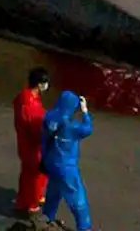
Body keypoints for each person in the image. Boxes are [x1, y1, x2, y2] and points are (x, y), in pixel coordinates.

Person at [40, 90, 94, 230]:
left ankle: (47, 217)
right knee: (77, 198)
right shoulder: (72, 126)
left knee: (53, 191)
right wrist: (85, 112)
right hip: (66, 166)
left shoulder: (48, 118)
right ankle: (84, 227)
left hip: (51, 162)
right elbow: (88, 129)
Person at [12, 67, 51, 217]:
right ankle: (28, 204)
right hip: (31, 144)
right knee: (33, 174)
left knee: (33, 173)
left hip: (28, 142)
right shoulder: (28, 102)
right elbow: (33, 126)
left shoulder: (27, 97)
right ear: (40, 84)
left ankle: (32, 198)